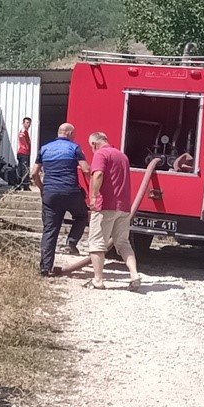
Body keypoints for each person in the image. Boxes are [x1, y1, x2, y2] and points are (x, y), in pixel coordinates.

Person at [61, 132, 141, 290]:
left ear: (94, 144)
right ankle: (134, 275)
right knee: (123, 243)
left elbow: (98, 174)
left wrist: (93, 196)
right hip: (124, 207)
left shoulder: (101, 154)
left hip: (105, 206)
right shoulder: (122, 156)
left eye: (91, 147)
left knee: (96, 243)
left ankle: (97, 280)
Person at [30, 123, 90, 277]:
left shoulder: (44, 148)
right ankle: (71, 242)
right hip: (70, 192)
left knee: (50, 230)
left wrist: (42, 188)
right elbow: (86, 169)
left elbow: (34, 173)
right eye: (74, 134)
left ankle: (46, 268)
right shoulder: (75, 148)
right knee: (82, 215)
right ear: (69, 133)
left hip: (50, 194)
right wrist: (93, 190)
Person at [16, 117, 33, 190]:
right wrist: (26, 147)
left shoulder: (25, 132)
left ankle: (19, 185)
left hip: (23, 153)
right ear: (23, 123)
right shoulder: (23, 131)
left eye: (29, 123)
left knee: (20, 169)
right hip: (23, 153)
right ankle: (25, 186)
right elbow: (22, 139)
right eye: (27, 122)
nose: (28, 124)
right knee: (25, 169)